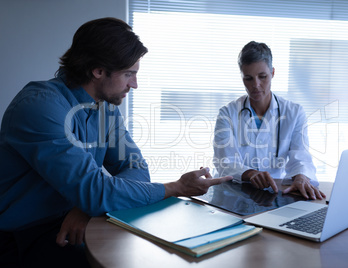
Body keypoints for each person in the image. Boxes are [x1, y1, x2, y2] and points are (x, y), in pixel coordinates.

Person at [0, 17, 232, 268]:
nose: (134, 84)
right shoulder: (39, 106)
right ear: (98, 70)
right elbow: (96, 191)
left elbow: (137, 168)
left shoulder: (104, 109)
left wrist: (86, 206)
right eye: (128, 74)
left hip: (72, 219)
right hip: (21, 238)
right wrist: (175, 187)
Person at [213, 41, 325, 200]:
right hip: (235, 193)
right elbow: (224, 162)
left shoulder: (294, 113)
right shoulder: (227, 114)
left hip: (274, 192)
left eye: (262, 77)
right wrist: (250, 173)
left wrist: (301, 177)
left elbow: (300, 155)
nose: (256, 85)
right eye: (248, 78)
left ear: (272, 72)